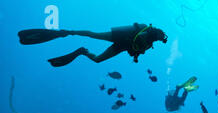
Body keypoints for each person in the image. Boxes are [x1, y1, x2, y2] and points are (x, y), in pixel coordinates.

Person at [18, 23, 168, 67]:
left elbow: (135, 50)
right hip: (120, 37)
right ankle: (70, 31)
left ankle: (82, 51)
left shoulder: (150, 43)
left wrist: (136, 56)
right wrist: (137, 52)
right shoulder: (147, 35)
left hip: (120, 46)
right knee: (94, 34)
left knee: (97, 59)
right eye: (160, 37)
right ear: (157, 34)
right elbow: (138, 42)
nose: (160, 39)